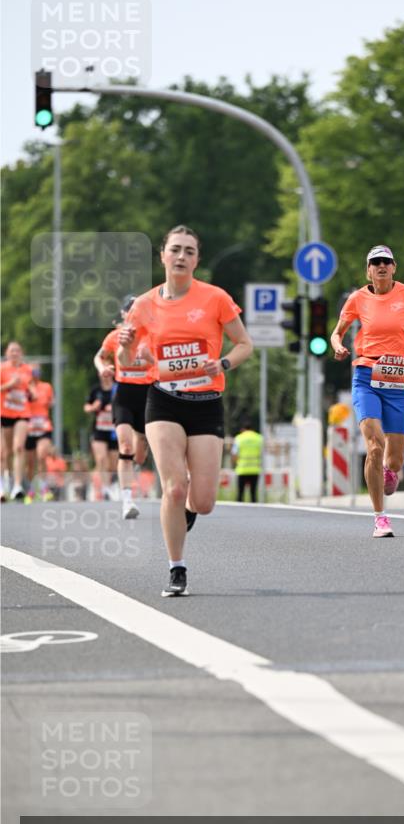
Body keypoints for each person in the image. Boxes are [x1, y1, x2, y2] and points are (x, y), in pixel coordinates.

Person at [118, 224, 253, 596]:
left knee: (204, 501)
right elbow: (125, 357)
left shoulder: (215, 299)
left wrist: (222, 364)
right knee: (174, 488)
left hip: (206, 402)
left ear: (197, 260)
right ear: (162, 256)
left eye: (189, 251)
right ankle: (177, 568)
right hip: (163, 399)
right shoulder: (144, 305)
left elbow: (244, 344)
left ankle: (189, 513)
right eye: (175, 249)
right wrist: (128, 346)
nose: (181, 256)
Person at [330, 244, 404, 537]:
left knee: (395, 459)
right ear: (368, 269)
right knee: (375, 446)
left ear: (394, 268)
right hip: (366, 373)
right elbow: (337, 331)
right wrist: (338, 346)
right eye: (375, 262)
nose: (381, 266)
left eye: (386, 262)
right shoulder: (358, 298)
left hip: (400, 378)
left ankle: (391, 473)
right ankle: (380, 517)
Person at [94, 295, 153, 520]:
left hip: (148, 396)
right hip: (124, 395)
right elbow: (98, 357)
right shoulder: (115, 337)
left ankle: (134, 468)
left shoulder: (152, 335)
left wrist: (152, 359)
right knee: (125, 447)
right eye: (130, 311)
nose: (134, 315)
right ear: (123, 314)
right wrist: (103, 368)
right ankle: (127, 500)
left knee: (139, 452)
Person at [1, 341, 35, 501]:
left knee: (19, 448)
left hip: (22, 412)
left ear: (21, 353)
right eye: (12, 351)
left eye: (17, 351)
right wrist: (10, 385)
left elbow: (30, 389)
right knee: (3, 452)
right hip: (4, 413)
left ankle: (17, 485)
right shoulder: (2, 369)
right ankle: (4, 482)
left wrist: (32, 393)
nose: (14, 353)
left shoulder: (27, 370)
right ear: (7, 354)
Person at [84, 371, 118, 500]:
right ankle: (105, 488)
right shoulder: (95, 390)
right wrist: (93, 407)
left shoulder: (117, 388)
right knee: (101, 459)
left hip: (114, 430)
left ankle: (110, 484)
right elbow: (86, 407)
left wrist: (114, 407)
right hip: (99, 429)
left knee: (113, 463)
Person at [25, 365, 54, 501]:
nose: (36, 374)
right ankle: (31, 489)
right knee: (30, 462)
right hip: (28, 427)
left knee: (41, 455)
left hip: (43, 425)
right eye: (33, 371)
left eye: (38, 371)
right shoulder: (24, 387)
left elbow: (50, 403)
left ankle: (43, 488)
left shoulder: (46, 386)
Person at [232, 419, 263, 503]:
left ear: (242, 429)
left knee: (240, 494)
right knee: (253, 494)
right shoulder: (259, 438)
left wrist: (235, 464)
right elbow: (262, 453)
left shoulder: (239, 438)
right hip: (255, 469)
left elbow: (234, 454)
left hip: (242, 469)